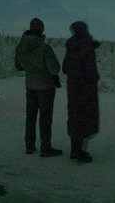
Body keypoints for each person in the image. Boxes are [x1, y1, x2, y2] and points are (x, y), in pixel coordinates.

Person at [15, 18, 63, 156]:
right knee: (45, 118)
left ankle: (29, 145)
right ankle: (45, 147)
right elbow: (54, 69)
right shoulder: (45, 48)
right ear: (41, 30)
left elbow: (18, 66)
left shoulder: (20, 47)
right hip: (46, 88)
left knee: (30, 117)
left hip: (30, 86)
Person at [62, 21, 100, 163]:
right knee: (86, 118)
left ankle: (74, 149)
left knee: (74, 117)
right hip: (86, 90)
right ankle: (80, 151)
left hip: (73, 88)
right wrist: (94, 78)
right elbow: (90, 71)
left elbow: (65, 68)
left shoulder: (71, 47)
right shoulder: (87, 47)